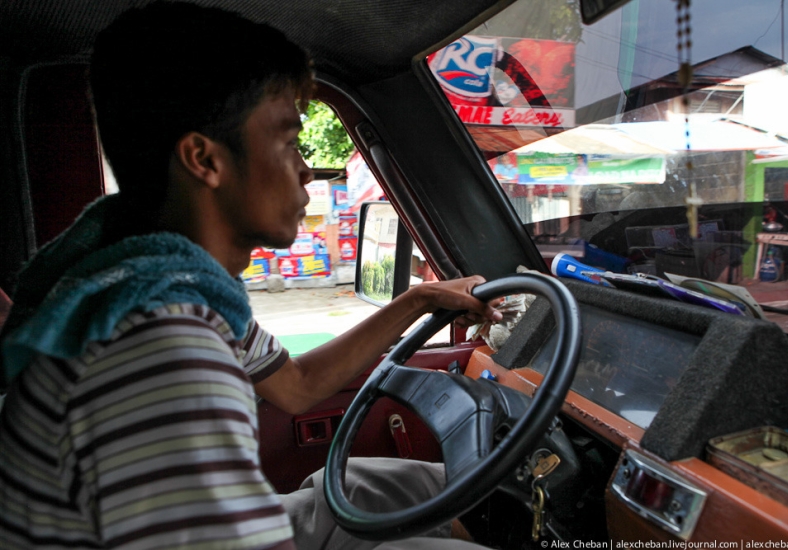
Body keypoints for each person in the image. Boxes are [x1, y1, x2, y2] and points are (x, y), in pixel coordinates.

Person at [0, 2, 501, 548]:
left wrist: (419, 299)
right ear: (205, 160)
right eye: (287, 141)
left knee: (384, 486)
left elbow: (297, 387)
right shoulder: (164, 344)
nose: (307, 167)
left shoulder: (177, 291)